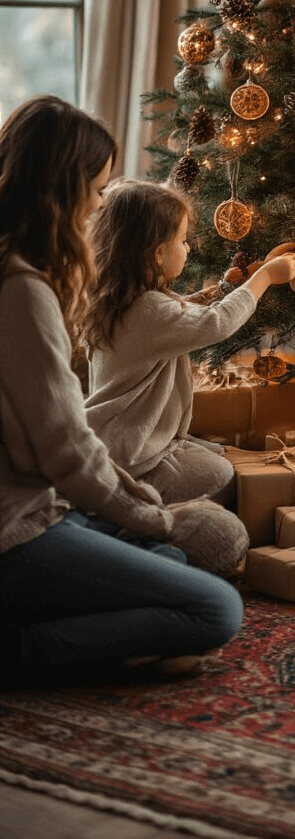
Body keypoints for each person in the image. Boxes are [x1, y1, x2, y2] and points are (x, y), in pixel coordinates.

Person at [0, 96, 244, 685]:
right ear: (64, 188)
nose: (100, 202)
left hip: (40, 509)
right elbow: (67, 452)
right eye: (97, 186)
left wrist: (143, 517)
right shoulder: (21, 293)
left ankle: (92, 631)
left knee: (170, 561)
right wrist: (151, 515)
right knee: (215, 606)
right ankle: (16, 653)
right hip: (15, 532)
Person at [84, 179, 295, 504]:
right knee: (221, 474)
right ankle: (126, 501)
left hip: (122, 437)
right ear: (158, 253)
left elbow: (179, 311)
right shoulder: (148, 310)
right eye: (183, 241)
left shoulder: (125, 299)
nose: (188, 248)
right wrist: (264, 277)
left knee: (220, 453)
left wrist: (224, 289)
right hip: (131, 453)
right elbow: (216, 322)